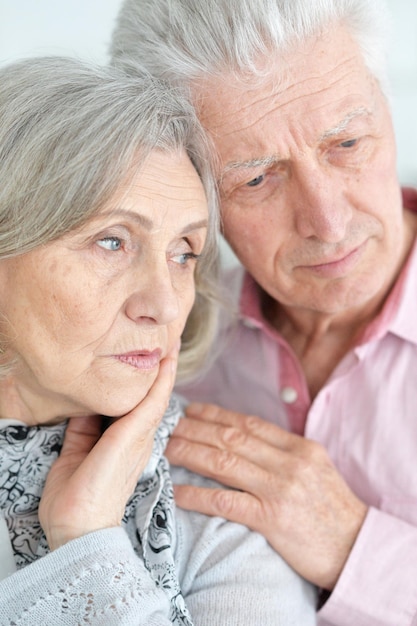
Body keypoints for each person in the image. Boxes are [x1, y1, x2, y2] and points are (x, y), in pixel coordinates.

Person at [110, 0, 417, 624]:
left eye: (347, 142)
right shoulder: (155, 344)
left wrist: (354, 547)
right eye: (256, 180)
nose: (328, 222)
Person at [0, 56, 317, 625]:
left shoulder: (222, 521)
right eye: (113, 242)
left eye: (183, 253)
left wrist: (87, 542)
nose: (167, 304)